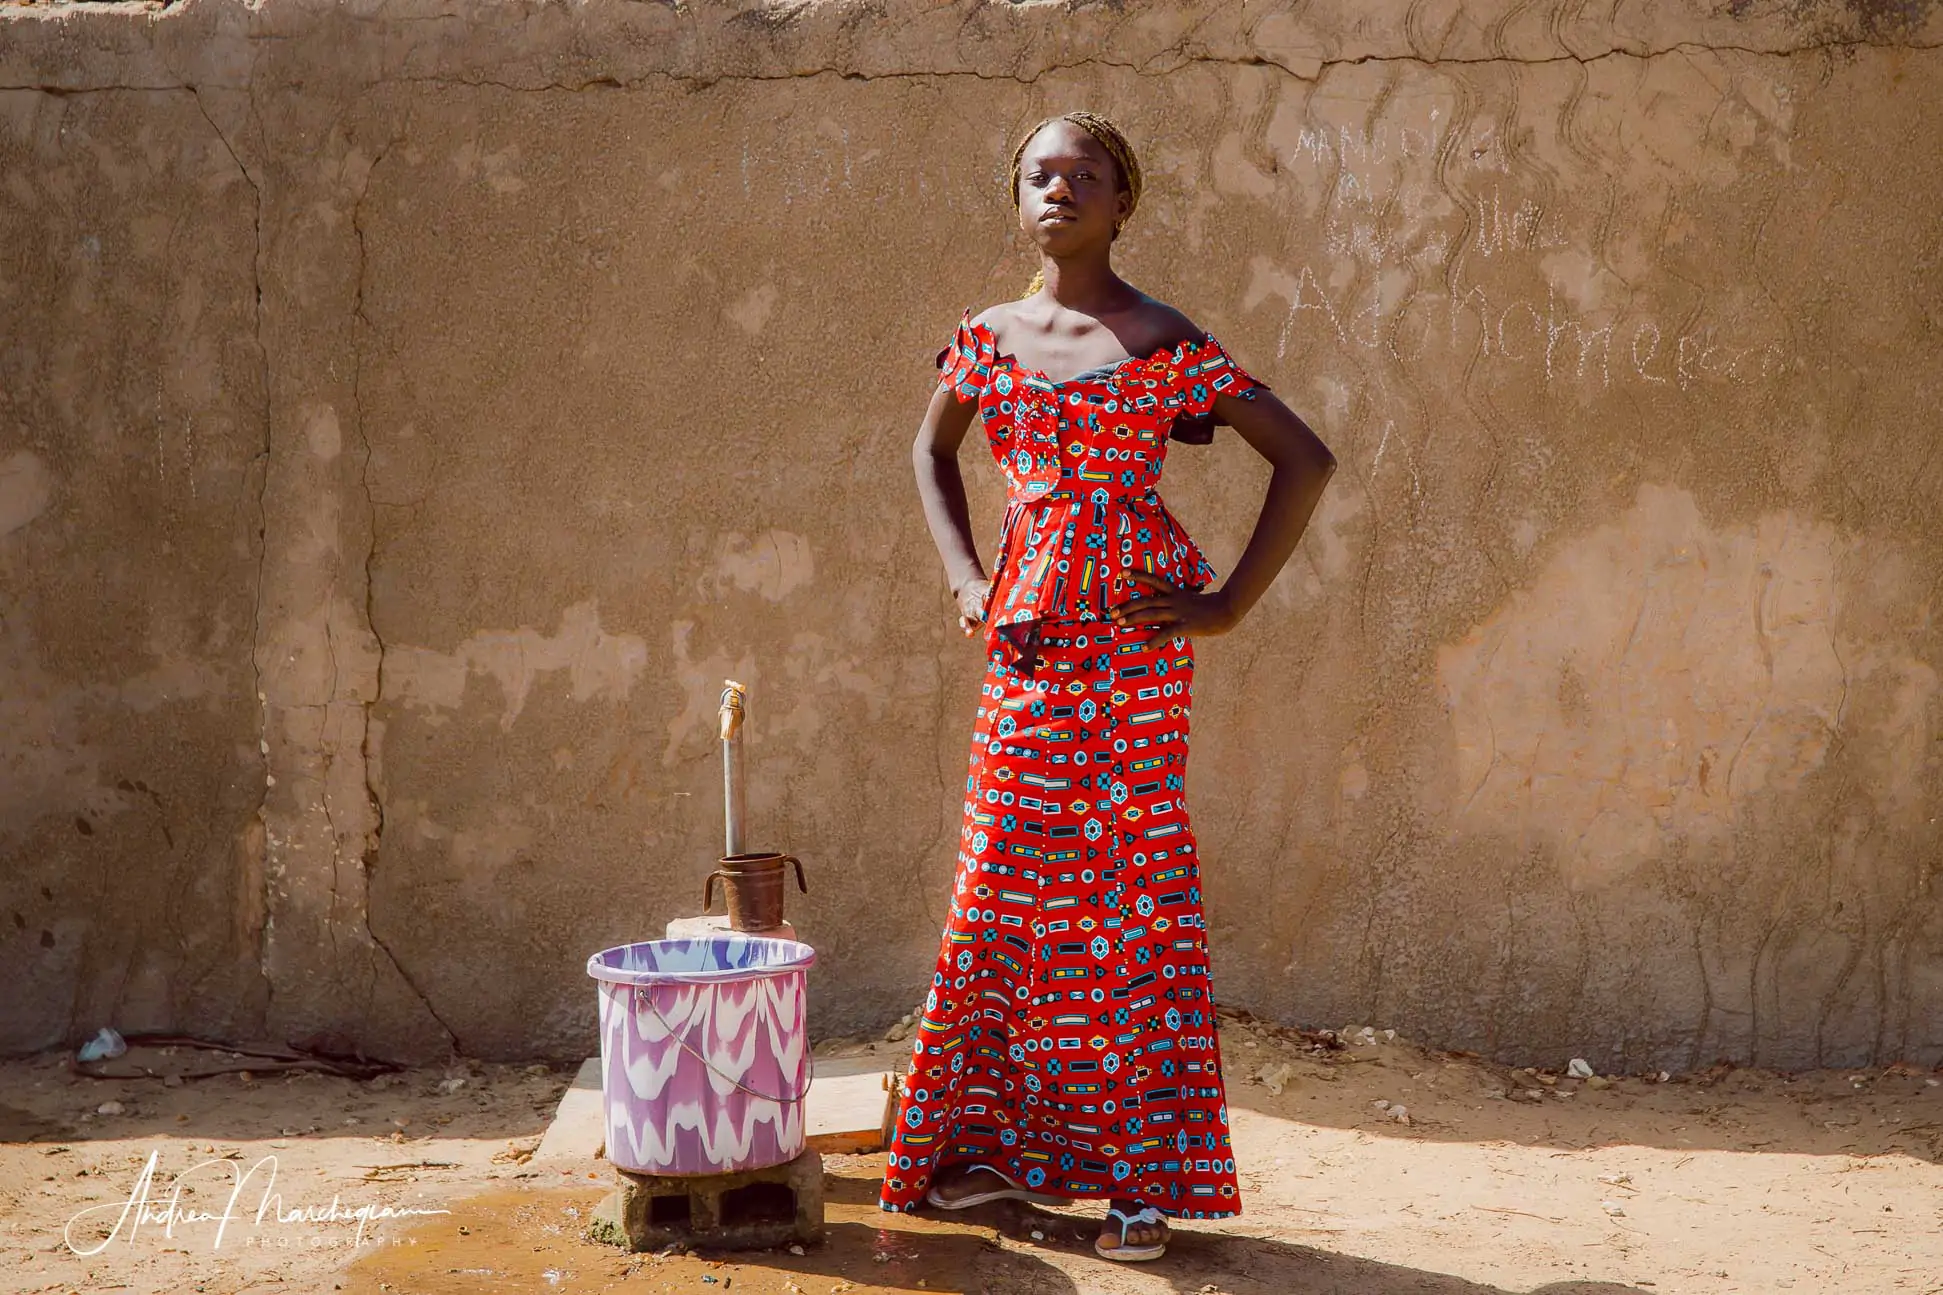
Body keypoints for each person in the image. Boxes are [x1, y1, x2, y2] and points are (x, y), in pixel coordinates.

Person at [880, 110, 1338, 1263]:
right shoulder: (985, 338)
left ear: (1122, 202)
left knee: (1130, 907)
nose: (1060, 188)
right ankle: (979, 1150)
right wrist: (961, 573)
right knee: (1002, 885)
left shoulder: (1162, 338)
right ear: (1016, 197)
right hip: (1027, 656)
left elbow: (1304, 456)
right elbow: (929, 452)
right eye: (1040, 172)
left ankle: (1138, 1184)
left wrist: (1226, 602)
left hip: (1133, 665)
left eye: (1084, 174)